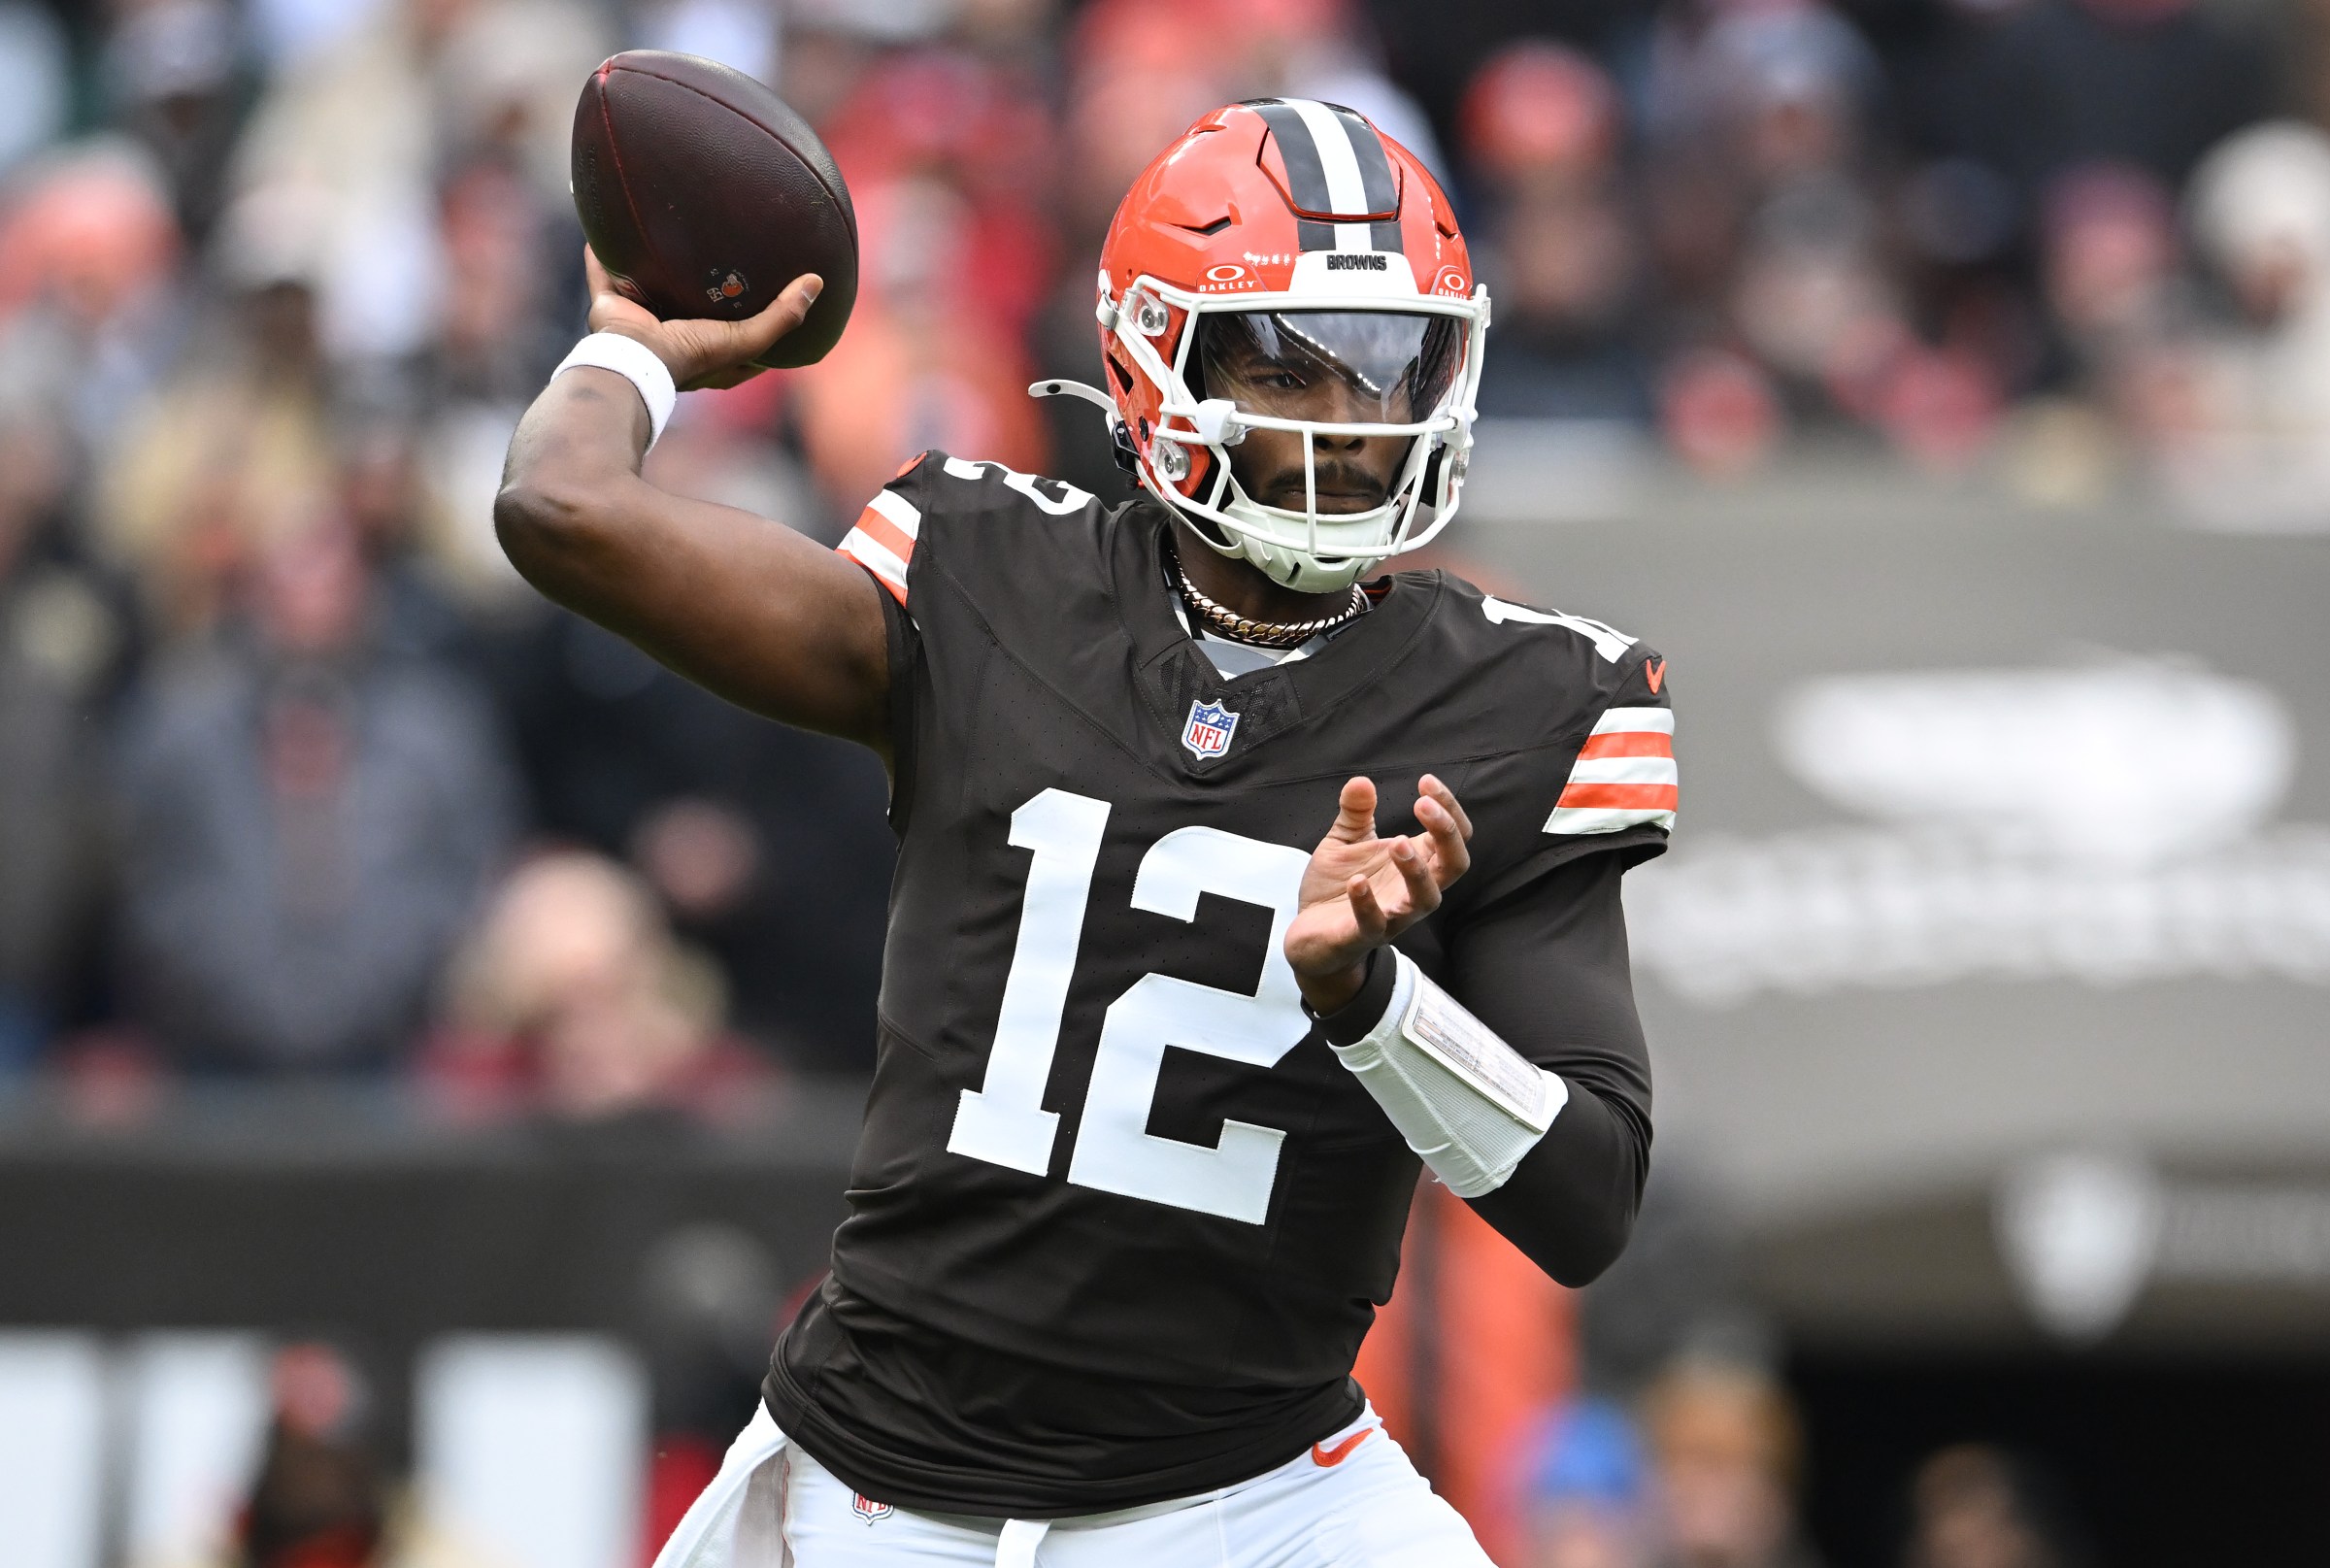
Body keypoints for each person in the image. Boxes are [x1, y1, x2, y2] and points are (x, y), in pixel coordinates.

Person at [497, 98, 1676, 1567]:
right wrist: (634, 349)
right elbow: (560, 505)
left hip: (1266, 1504)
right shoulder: (986, 573)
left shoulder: (1522, 702)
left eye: (1391, 363)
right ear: (1149, 359)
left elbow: (1588, 1204)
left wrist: (1374, 1005)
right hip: (880, 1489)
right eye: (1289, 364)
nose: (1354, 419)